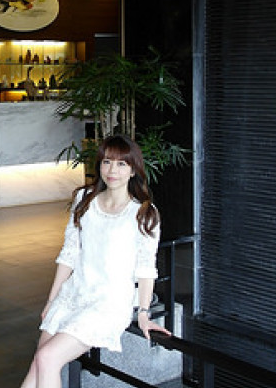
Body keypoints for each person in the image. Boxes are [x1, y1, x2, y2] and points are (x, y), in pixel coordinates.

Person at [19, 134, 171, 388]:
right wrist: (52, 299)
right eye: (107, 162)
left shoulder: (144, 213)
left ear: (133, 170)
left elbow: (146, 269)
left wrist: (144, 313)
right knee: (39, 361)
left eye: (121, 164)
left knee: (47, 358)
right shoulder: (85, 199)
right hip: (73, 293)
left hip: (107, 303)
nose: (112, 170)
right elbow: (69, 253)